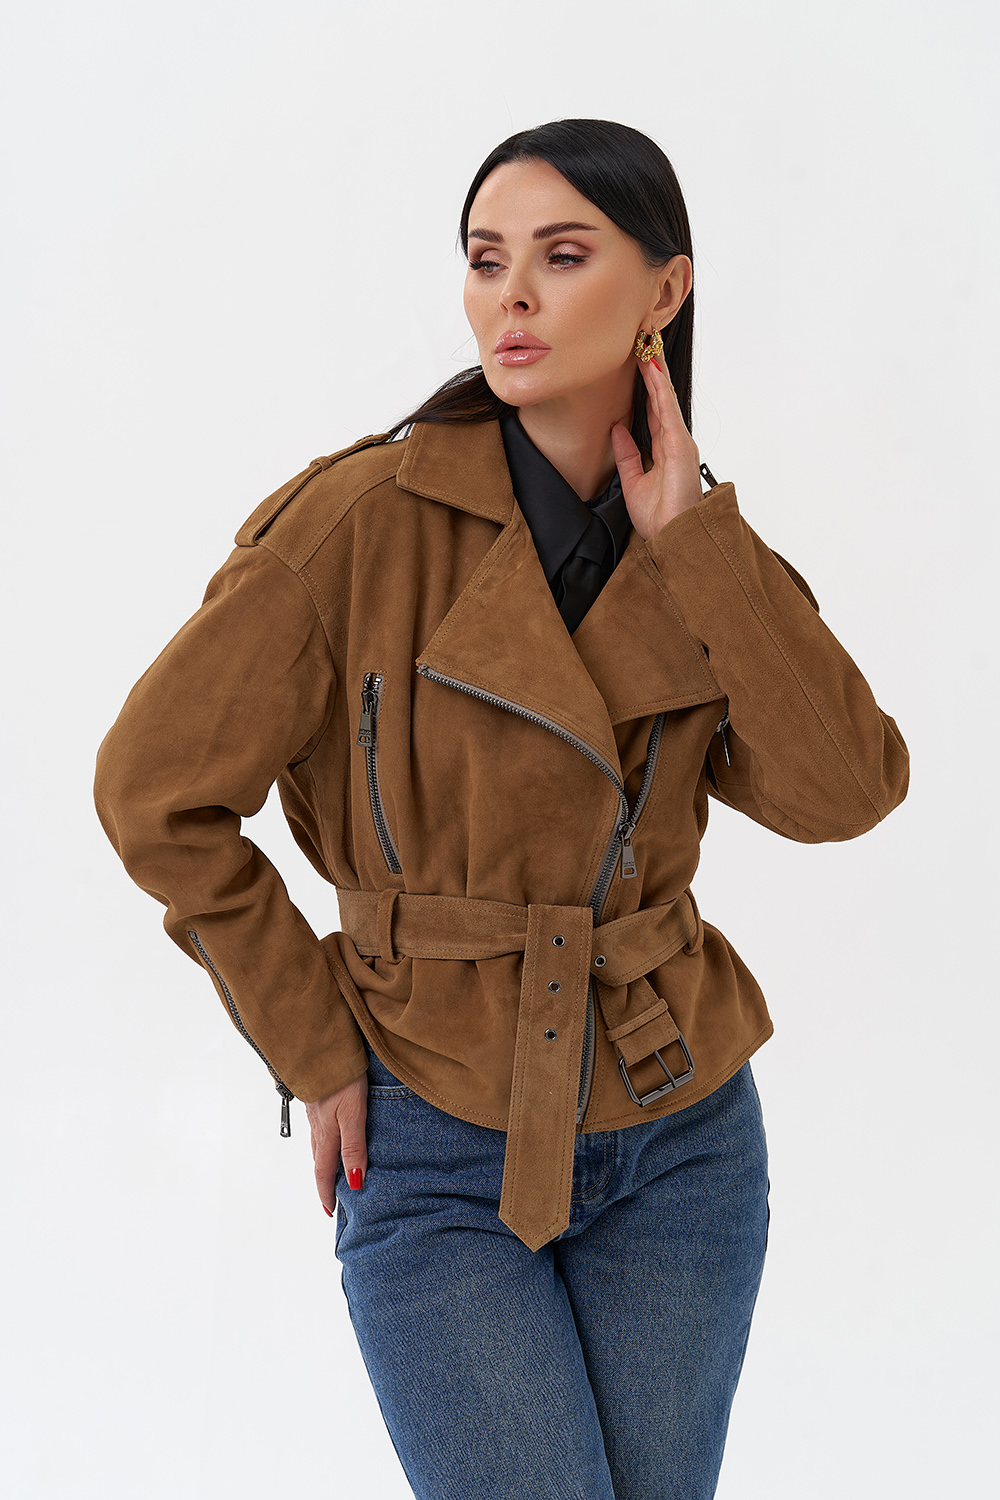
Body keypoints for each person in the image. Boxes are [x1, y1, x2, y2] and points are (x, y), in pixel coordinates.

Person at [93, 118, 910, 1499]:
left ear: (664, 290)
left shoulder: (698, 551)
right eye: (485, 261)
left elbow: (847, 791)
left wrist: (699, 545)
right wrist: (313, 1044)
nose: (510, 296)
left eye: (561, 255)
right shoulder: (355, 525)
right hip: (432, 1124)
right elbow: (152, 791)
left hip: (681, 1129)